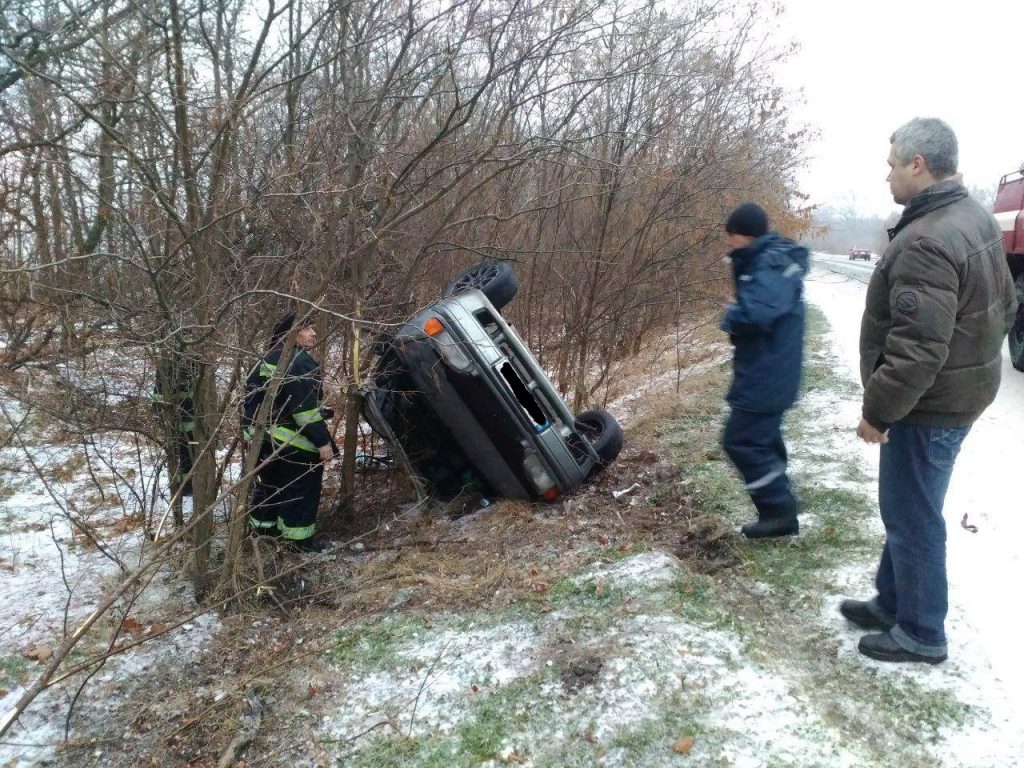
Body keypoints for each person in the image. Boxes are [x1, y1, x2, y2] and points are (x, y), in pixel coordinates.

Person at [843, 118, 1017, 664]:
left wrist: (878, 411)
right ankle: (892, 602)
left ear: (918, 164)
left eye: (893, 162)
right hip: (957, 395)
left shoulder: (928, 238)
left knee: (912, 514)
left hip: (928, 405)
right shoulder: (975, 218)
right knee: (911, 507)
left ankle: (921, 632)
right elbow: (1007, 306)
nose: (887, 174)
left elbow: (918, 347)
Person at [719, 202, 809, 539]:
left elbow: (757, 315)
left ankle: (779, 510)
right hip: (768, 369)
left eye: (731, 238)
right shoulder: (767, 260)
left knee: (740, 441)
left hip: (767, 374)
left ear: (744, 234)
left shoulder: (769, 264)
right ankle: (780, 506)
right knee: (762, 441)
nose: (729, 245)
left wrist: (731, 315)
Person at [242, 312, 335, 552]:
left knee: (270, 488)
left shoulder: (265, 358)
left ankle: (263, 535)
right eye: (307, 329)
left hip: (262, 440)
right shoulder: (299, 361)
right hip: (294, 443)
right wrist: (323, 443)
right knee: (300, 493)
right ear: (291, 333)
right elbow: (304, 412)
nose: (314, 334)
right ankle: (297, 545)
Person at [153, 353, 197, 499]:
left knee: (185, 454)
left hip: (187, 421)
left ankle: (187, 485)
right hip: (184, 421)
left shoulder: (192, 359)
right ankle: (186, 487)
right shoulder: (171, 362)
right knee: (185, 454)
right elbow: (159, 393)